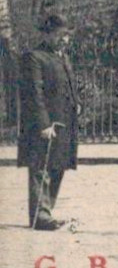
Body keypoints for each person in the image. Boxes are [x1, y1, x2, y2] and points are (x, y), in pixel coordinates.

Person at [16, 13, 79, 231]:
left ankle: (46, 211)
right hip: (43, 124)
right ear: (48, 34)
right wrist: (43, 123)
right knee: (40, 167)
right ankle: (41, 215)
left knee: (57, 166)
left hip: (63, 121)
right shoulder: (34, 57)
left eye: (68, 35)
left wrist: (76, 103)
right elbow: (34, 93)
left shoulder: (62, 57)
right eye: (61, 35)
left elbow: (68, 84)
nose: (65, 40)